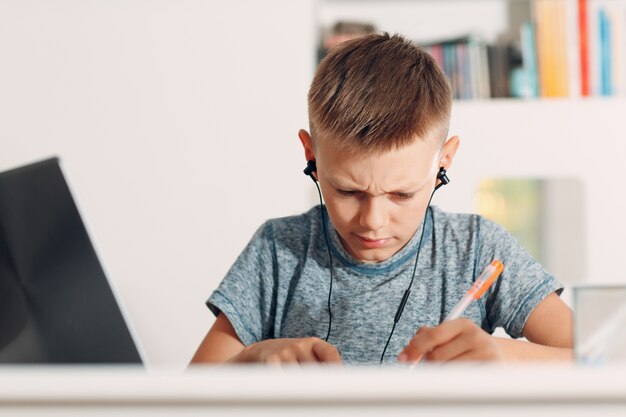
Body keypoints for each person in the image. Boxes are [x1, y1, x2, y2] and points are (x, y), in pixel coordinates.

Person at [191, 33, 573, 365]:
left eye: (401, 194)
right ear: (311, 156)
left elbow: (601, 361)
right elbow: (191, 392)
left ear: (445, 160)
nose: (373, 220)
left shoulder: (477, 250)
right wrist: (251, 362)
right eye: (348, 191)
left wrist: (503, 355)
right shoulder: (276, 252)